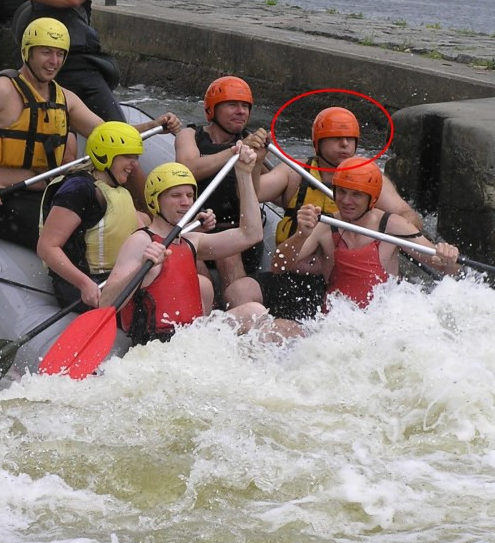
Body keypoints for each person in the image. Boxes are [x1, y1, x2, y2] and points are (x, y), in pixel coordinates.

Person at [0, 18, 179, 250]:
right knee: (87, 239)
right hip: (6, 202)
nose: (54, 61)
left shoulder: (64, 98)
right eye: (46, 52)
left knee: (131, 220)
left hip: (49, 195)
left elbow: (109, 133)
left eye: (60, 54)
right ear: (27, 52)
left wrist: (154, 125)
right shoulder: (1, 90)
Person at [224, 106, 422, 319]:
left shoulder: (371, 180)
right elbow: (250, 195)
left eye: (350, 139)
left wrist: (380, 232)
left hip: (338, 281)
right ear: (318, 142)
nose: (344, 144)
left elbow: (409, 217)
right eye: (336, 138)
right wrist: (257, 162)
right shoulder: (295, 172)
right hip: (292, 274)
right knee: (240, 291)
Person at [101, 148, 302, 346]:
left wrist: (244, 175)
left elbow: (251, 234)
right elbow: (106, 303)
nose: (185, 202)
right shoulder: (141, 241)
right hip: (156, 343)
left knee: (255, 312)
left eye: (189, 195)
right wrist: (141, 270)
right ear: (155, 200)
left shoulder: (191, 241)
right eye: (176, 195)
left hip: (189, 337)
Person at [271, 157, 460, 309]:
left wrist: (448, 259)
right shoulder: (324, 226)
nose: (346, 201)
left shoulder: (393, 226)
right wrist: (301, 235)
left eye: (356, 194)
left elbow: (448, 270)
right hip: (338, 322)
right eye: (341, 192)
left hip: (381, 322)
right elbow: (278, 266)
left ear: (372, 198)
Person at [37, 121, 157, 312]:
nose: (134, 164)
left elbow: (139, 226)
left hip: (116, 276)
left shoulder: (115, 189)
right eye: (127, 156)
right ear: (104, 155)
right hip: (85, 285)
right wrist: (84, 284)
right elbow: (46, 247)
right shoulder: (78, 189)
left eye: (136, 157)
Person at [174, 76, 267, 299]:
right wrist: (234, 151)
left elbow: (250, 197)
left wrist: (258, 162)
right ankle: (205, 307)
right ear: (212, 110)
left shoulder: (252, 142)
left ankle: (237, 306)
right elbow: (187, 168)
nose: (241, 111)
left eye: (245, 106)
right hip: (197, 229)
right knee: (190, 255)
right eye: (232, 105)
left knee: (228, 252)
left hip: (238, 234)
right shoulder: (190, 135)